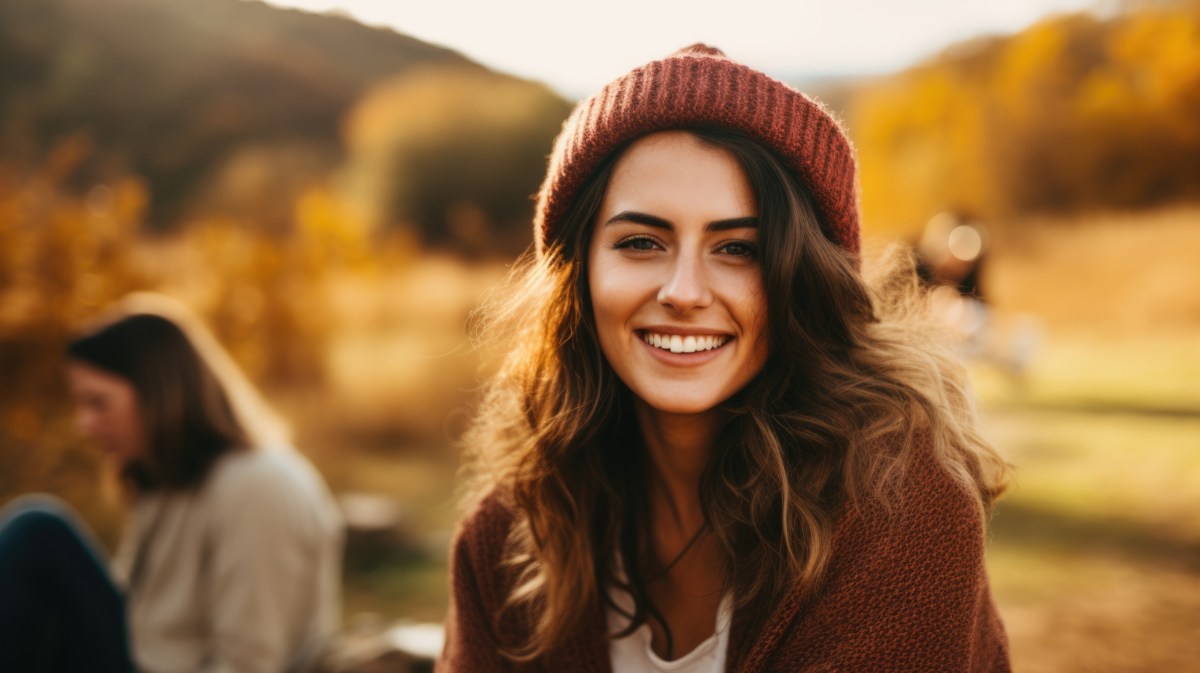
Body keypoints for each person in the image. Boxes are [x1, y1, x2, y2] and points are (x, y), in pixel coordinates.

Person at [438, 45, 1013, 672]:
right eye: (640, 242)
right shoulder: (507, 536)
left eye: (738, 248)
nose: (683, 291)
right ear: (578, 273)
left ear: (806, 281)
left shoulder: (899, 504)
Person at [0, 294, 344, 673]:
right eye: (81, 405)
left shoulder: (258, 485)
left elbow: (249, 662)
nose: (84, 424)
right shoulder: (163, 479)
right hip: (140, 659)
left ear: (158, 395)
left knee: (38, 530)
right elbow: (138, 619)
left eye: (99, 403)